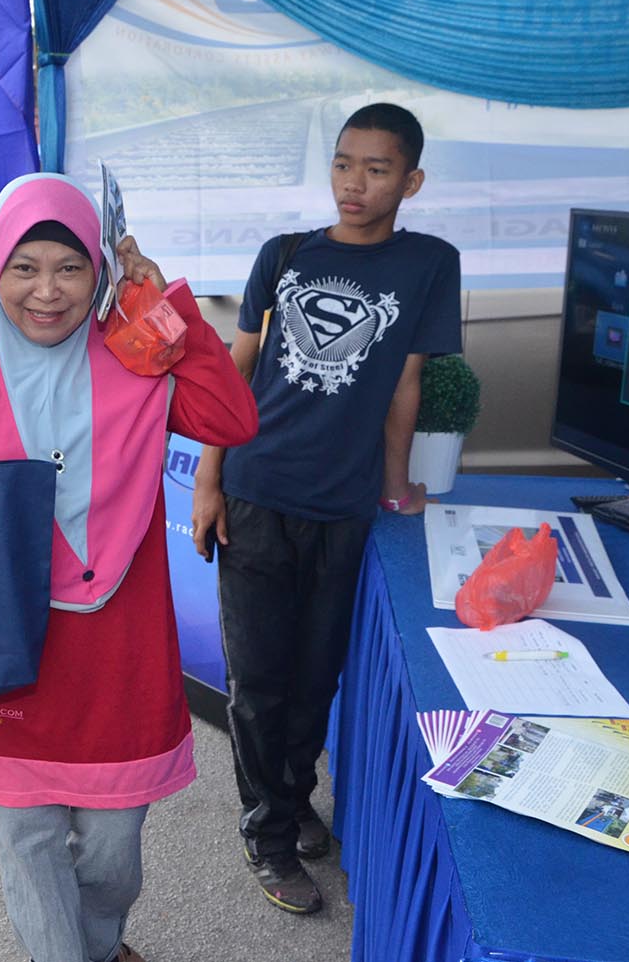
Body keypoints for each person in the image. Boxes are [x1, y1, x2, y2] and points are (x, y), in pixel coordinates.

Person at [0, 173, 258, 962]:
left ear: (100, 270)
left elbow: (232, 418)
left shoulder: (137, 354)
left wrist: (164, 305)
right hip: (2, 655)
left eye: (70, 268)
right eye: (24, 268)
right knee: (29, 846)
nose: (47, 291)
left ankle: (101, 941)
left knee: (114, 852)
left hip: (116, 659)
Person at [189, 102, 462, 914]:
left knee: (314, 680)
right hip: (256, 492)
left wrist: (397, 486)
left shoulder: (429, 264)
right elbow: (235, 371)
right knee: (258, 683)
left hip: (342, 507)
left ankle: (292, 798)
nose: (354, 182)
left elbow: (405, 385)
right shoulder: (285, 255)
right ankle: (268, 833)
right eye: (344, 163)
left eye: (377, 169)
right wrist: (207, 480)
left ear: (411, 180)